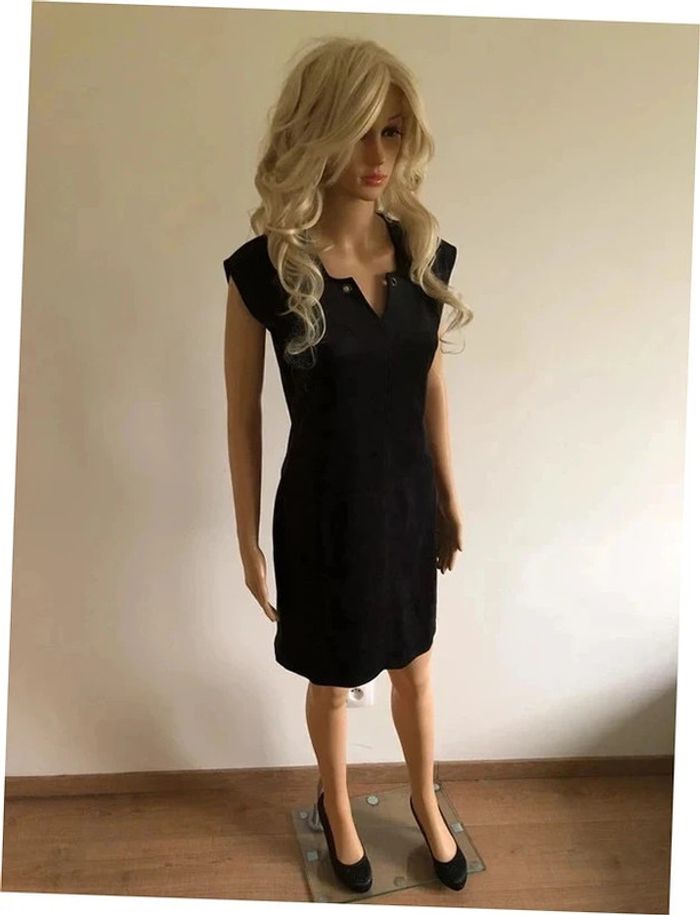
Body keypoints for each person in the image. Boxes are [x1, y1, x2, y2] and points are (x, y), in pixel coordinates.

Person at [223, 36, 473, 893]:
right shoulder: (267, 272)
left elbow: (430, 380)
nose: (378, 155)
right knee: (331, 678)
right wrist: (247, 538)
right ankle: (335, 803)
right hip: (321, 511)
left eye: (392, 133)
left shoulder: (421, 255)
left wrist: (449, 495)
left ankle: (424, 798)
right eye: (360, 130)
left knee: (416, 664)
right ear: (317, 131)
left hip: (404, 504)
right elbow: (242, 411)